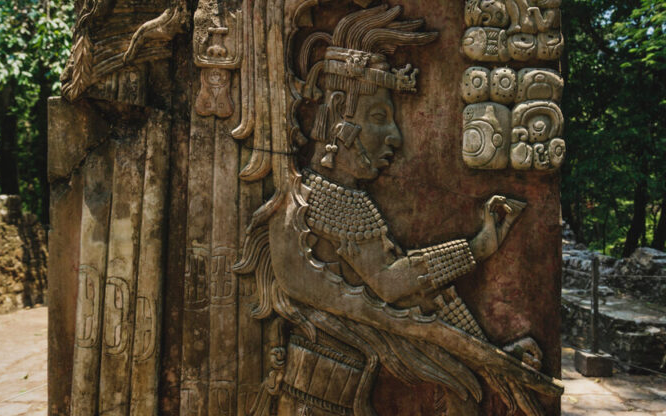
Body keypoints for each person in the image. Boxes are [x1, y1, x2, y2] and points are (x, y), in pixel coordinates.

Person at [235, 5, 561, 415]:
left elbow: (421, 298)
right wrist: (476, 249)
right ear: (338, 113)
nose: (394, 136)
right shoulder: (320, 201)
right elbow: (392, 283)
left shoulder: (332, 199)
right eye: (379, 117)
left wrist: (491, 352)